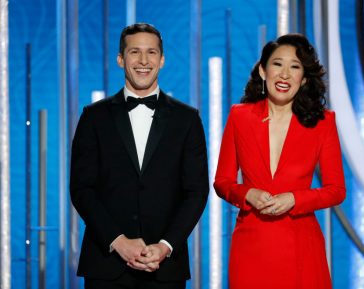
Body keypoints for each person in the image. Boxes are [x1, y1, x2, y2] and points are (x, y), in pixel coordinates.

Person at [70, 23, 209, 289]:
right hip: (106, 265)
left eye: (151, 52)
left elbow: (196, 191)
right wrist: (118, 241)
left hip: (165, 268)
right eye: (135, 52)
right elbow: (82, 188)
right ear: (121, 59)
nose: (143, 61)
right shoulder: (93, 116)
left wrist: (166, 246)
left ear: (162, 59)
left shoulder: (187, 119)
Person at [214, 33, 346, 289]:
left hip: (301, 246)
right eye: (277, 64)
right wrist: (247, 194)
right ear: (263, 70)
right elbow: (222, 181)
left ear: (304, 78)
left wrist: (295, 199)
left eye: (295, 67)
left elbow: (336, 190)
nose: (284, 74)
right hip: (252, 244)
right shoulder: (239, 116)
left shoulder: (322, 122)